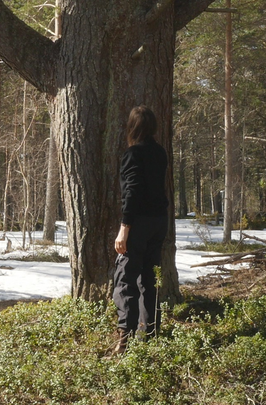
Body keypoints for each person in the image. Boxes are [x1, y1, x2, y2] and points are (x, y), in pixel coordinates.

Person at [112, 105, 169, 354]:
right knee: (149, 279)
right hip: (159, 222)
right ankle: (151, 335)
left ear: (133, 126)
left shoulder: (133, 154)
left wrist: (124, 228)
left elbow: (132, 192)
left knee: (126, 279)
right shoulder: (160, 152)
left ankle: (124, 341)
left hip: (139, 224)